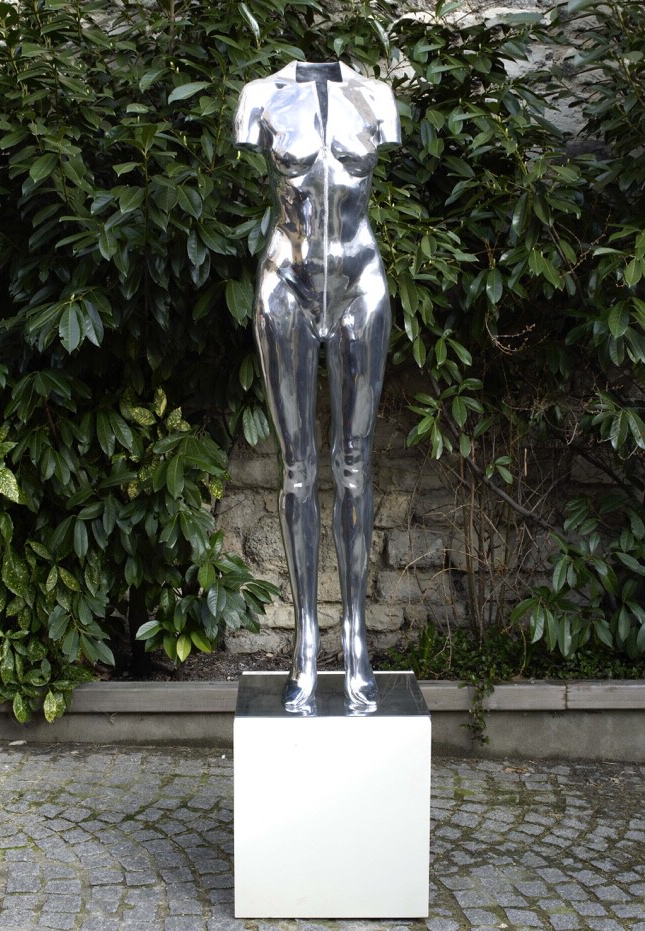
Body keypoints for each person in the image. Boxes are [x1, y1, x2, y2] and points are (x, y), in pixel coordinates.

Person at [233, 60, 400, 714]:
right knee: (297, 468)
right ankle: (305, 639)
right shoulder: (261, 97)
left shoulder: (374, 96)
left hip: (361, 282)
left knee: (355, 462)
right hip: (287, 284)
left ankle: (355, 637)